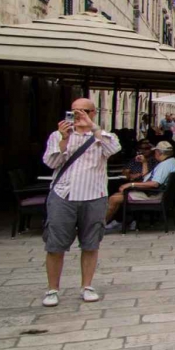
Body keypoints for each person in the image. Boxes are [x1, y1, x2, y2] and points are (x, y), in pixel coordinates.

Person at [40, 98, 119, 307]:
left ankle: (87, 286)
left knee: (91, 243)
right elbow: (50, 162)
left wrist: (94, 128)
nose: (77, 115)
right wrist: (64, 140)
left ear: (93, 113)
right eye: (74, 111)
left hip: (93, 194)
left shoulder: (102, 137)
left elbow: (114, 149)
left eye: (83, 111)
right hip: (63, 195)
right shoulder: (57, 135)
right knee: (55, 244)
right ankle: (52, 289)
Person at [104, 141, 175, 229]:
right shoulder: (171, 162)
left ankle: (100, 225)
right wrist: (144, 162)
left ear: (159, 152)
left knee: (114, 199)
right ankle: (116, 221)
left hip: (154, 195)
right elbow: (146, 178)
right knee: (117, 195)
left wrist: (131, 184)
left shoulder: (164, 165)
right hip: (159, 193)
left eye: (155, 151)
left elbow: (154, 184)